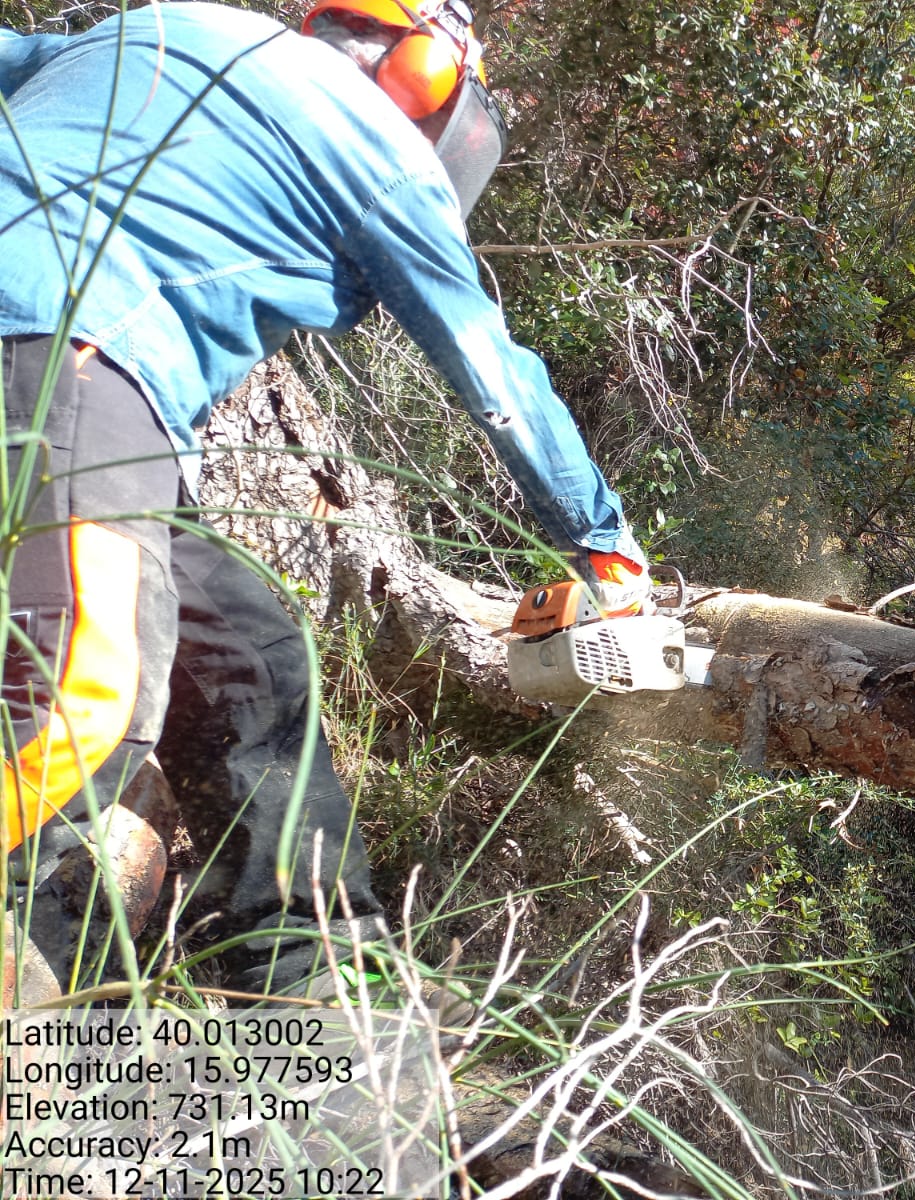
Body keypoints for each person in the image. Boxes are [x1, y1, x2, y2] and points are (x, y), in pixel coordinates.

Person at [0, 0, 649, 997]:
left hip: (94, 379)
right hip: (69, 350)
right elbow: (497, 379)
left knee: (252, 664)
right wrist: (605, 547)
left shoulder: (157, 28)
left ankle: (312, 985)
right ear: (428, 79)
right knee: (80, 699)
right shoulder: (375, 142)